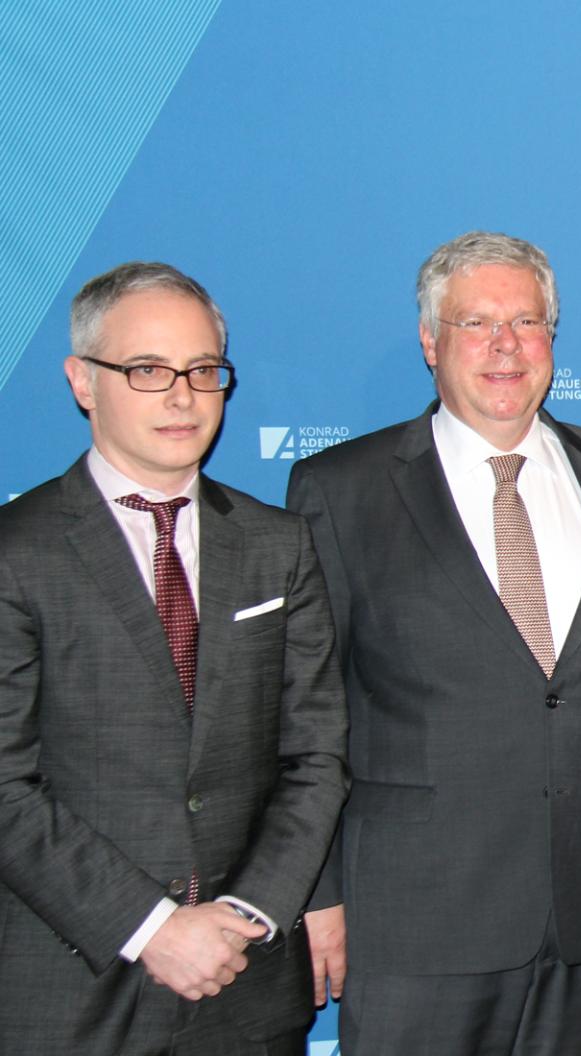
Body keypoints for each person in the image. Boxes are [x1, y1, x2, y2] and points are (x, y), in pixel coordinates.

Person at [286, 231, 581, 1054]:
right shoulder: (342, 490)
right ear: (431, 342)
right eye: (476, 323)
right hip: (418, 919)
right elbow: (308, 711)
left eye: (527, 322)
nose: (506, 345)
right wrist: (317, 892)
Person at [0, 261, 349, 1053]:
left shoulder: (277, 545)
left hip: (245, 984)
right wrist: (151, 926)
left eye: (202, 370)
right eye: (148, 370)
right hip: (70, 990)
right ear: (83, 381)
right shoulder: (17, 553)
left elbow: (316, 755)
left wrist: (250, 913)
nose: (183, 397)